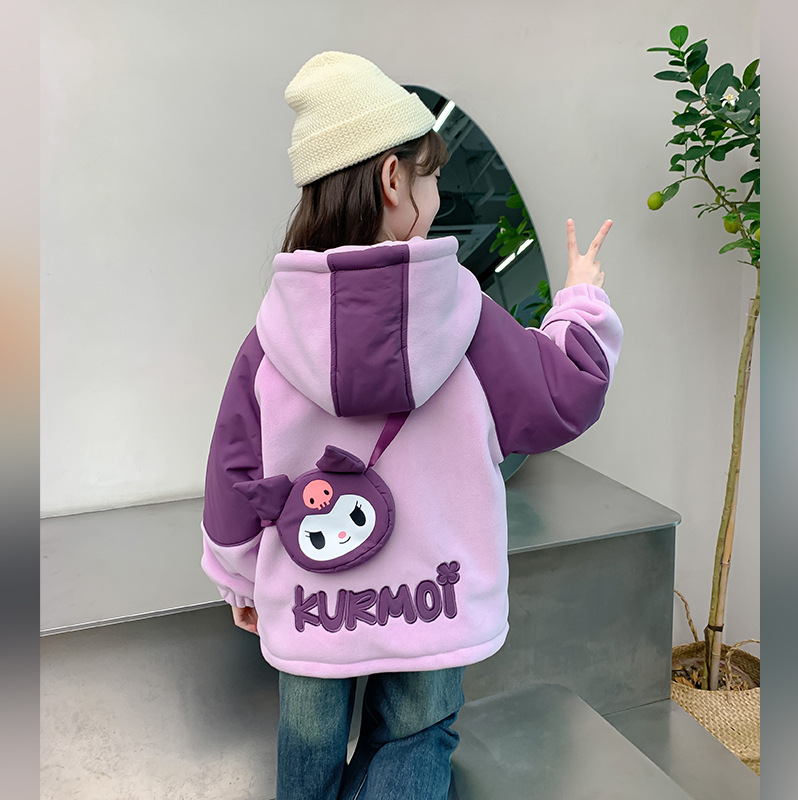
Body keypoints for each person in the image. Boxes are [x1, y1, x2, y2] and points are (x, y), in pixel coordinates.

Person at [200, 51, 623, 800]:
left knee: (309, 745)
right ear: (394, 179)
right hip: (435, 597)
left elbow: (236, 467)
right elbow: (562, 396)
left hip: (314, 599)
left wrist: (238, 577)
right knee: (416, 735)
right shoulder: (464, 312)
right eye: (430, 177)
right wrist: (579, 302)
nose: (435, 194)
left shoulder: (272, 332)